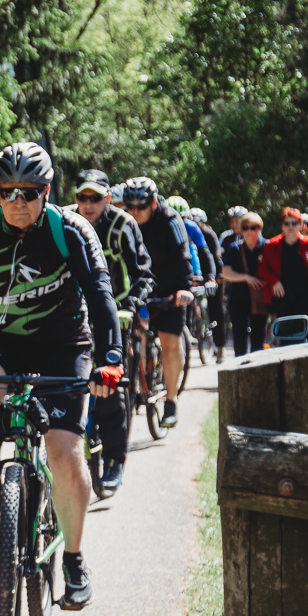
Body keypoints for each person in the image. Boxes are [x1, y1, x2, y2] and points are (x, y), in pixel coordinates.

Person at [0, 143, 121, 610]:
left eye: (29, 192)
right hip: (4, 342)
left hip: (64, 345)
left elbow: (100, 292)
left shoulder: (72, 229)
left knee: (65, 454)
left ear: (46, 192)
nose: (18, 201)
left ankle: (73, 558)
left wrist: (111, 358)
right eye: (7, 191)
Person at [66, 169, 152, 492]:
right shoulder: (64, 222)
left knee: (109, 384)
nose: (88, 205)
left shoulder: (122, 225)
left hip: (113, 313)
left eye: (95, 198)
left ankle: (115, 460)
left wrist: (131, 305)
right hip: (72, 315)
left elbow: (142, 272)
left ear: (108, 198)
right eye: (82, 198)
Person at [122, 177, 193, 428]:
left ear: (153, 203)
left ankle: (171, 401)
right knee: (132, 338)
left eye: (140, 207)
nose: (134, 212)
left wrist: (183, 290)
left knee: (169, 342)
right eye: (129, 206)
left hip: (170, 287)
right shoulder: (125, 222)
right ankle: (135, 383)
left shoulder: (170, 220)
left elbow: (183, 256)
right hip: (139, 288)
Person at [260, 206, 308, 320]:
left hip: (304, 295)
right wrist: (274, 282)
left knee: (300, 331)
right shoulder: (272, 245)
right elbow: (263, 269)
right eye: (287, 223)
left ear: (301, 225)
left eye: (294, 223)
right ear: (282, 225)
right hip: (281, 296)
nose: (290, 227)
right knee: (284, 332)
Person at [219, 211, 269, 355]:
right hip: (238, 298)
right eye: (245, 227)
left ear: (259, 228)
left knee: (258, 338)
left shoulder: (267, 247)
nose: (249, 231)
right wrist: (246, 278)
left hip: (259, 299)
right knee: (239, 338)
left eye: (253, 227)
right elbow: (226, 272)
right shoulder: (235, 248)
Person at [190, 207, 228, 356]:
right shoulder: (185, 232)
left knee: (216, 309)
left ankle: (220, 345)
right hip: (194, 275)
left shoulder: (208, 234)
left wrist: (217, 275)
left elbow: (215, 256)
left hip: (210, 274)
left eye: (198, 223)